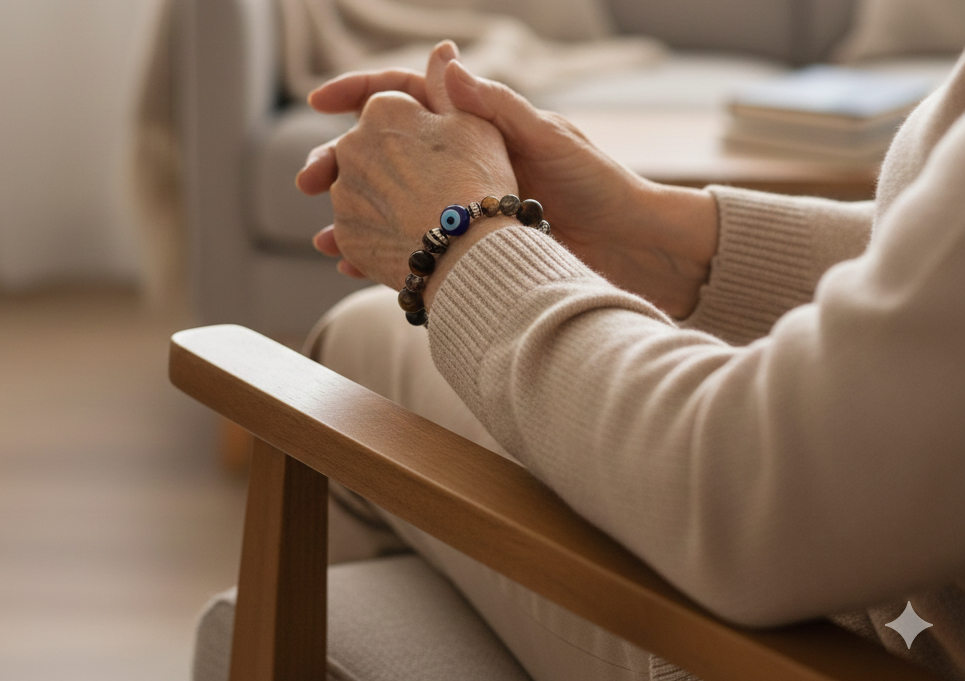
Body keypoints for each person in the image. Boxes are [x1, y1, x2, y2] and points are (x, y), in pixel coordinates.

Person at [295, 40, 965, 681]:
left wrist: (464, 241)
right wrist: (660, 236)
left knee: (358, 340)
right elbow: (930, 308)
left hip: (828, 646)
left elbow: (740, 484)